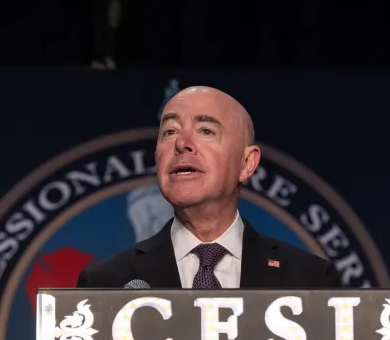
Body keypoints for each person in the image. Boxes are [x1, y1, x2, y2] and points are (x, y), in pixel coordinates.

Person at [77, 85, 343, 289]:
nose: (182, 143)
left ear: (247, 163)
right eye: (170, 132)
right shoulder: (106, 283)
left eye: (206, 131)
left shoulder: (309, 280)